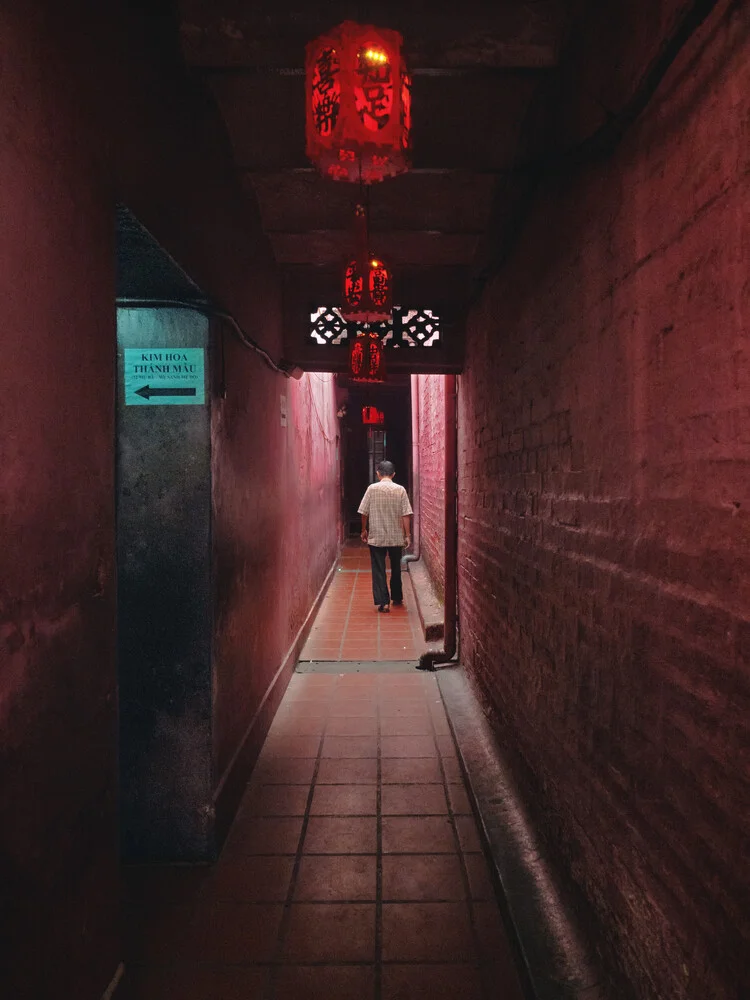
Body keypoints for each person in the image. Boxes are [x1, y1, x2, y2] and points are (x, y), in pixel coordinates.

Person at [358, 460, 413, 612]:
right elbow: (406, 514)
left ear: (378, 474)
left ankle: (384, 602)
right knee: (396, 567)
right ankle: (396, 596)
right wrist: (407, 535)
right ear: (393, 474)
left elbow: (363, 511)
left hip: (376, 537)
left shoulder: (372, 489)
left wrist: (364, 529)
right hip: (396, 537)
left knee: (378, 569)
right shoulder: (400, 490)